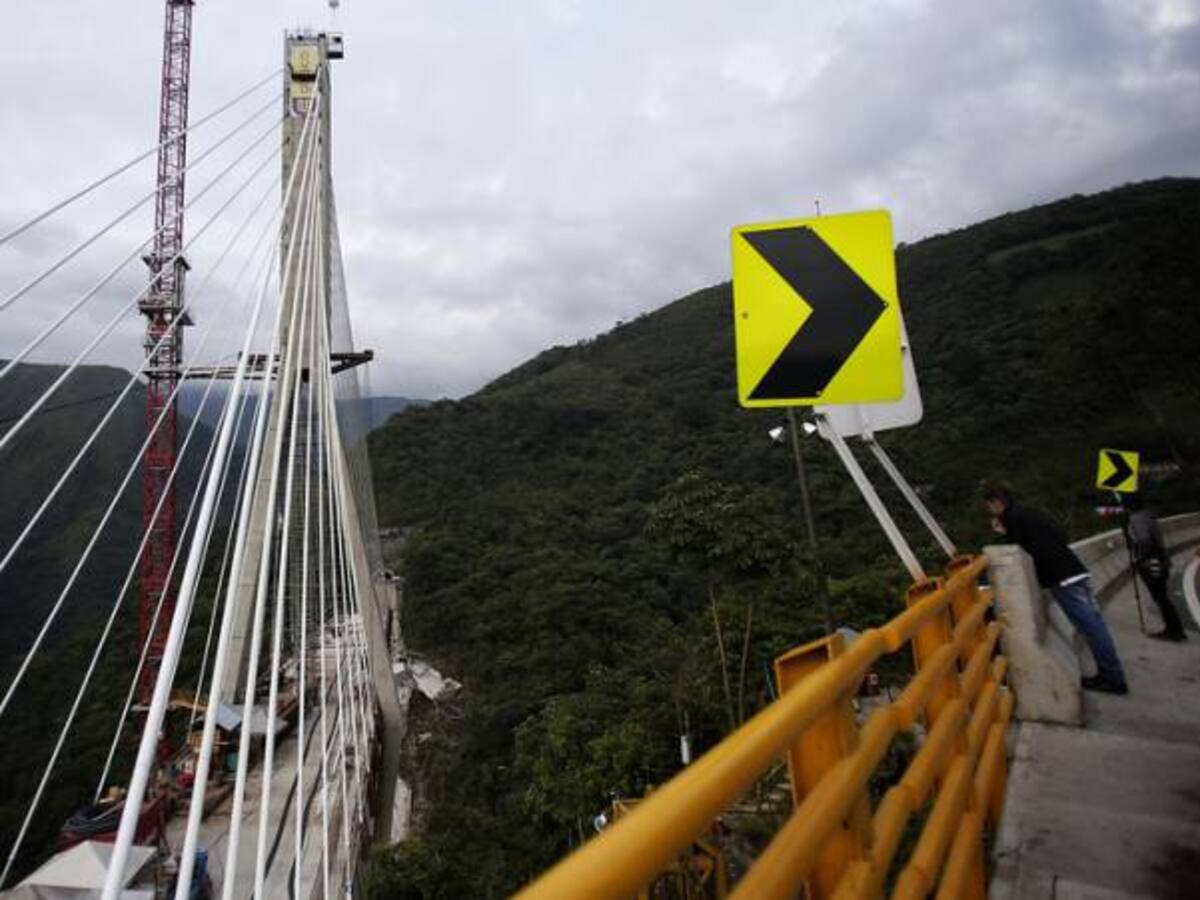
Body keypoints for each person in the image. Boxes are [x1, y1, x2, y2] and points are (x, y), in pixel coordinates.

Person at [983, 483, 1128, 694]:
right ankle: (1111, 675)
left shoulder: (1010, 516)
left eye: (990, 506)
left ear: (997, 503)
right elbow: (1055, 536)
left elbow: (1015, 551)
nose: (990, 511)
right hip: (1074, 570)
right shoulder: (1029, 513)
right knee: (1094, 625)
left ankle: (1113, 679)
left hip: (1063, 579)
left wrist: (1002, 529)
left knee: (1092, 627)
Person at [1123, 494, 1187, 642]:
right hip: (1161, 559)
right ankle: (1175, 629)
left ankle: (1174, 631)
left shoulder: (1136, 519)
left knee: (1160, 598)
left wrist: (1140, 558)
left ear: (1128, 506)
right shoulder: (1147, 515)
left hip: (1151, 563)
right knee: (1163, 597)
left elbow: (1144, 540)